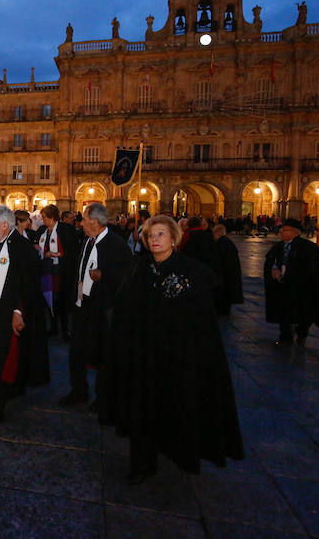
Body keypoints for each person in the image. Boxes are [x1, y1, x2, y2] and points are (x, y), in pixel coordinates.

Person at [107, 215, 244, 483]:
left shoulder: (192, 272)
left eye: (160, 234)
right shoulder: (138, 269)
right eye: (150, 236)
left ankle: (177, 452)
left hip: (177, 356)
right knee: (141, 408)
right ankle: (142, 464)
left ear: (174, 237)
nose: (155, 240)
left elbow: (202, 323)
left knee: (174, 406)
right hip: (144, 355)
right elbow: (124, 311)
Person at [0, 205, 49, 429]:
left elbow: (29, 285)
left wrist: (18, 311)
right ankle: (14, 388)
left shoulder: (22, 247)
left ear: (5, 225)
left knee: (3, 362)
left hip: (10, 316)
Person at [59, 203, 131, 414]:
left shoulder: (115, 243)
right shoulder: (87, 241)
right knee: (76, 350)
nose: (80, 223)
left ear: (95, 222)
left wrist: (104, 276)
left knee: (103, 354)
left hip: (103, 308)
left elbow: (128, 275)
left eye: (84, 220)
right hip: (83, 305)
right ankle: (78, 390)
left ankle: (103, 397)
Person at [263, 219, 319, 346]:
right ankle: (285, 338)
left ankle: (302, 334)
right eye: (281, 230)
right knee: (285, 312)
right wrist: (274, 268)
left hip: (302, 287)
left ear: (294, 232)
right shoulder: (278, 246)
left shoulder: (308, 247)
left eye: (284, 230)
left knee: (303, 313)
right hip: (283, 286)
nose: (281, 232)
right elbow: (272, 260)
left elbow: (314, 269)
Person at [37, 204, 79, 341]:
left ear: (52, 217)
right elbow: (39, 246)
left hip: (62, 271)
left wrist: (56, 254)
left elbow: (72, 251)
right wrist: (42, 251)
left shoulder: (66, 229)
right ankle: (53, 327)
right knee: (50, 300)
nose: (42, 220)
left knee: (63, 301)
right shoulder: (42, 230)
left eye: (44, 217)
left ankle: (66, 330)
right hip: (47, 270)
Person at [212, 224, 244, 315]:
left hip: (226, 274)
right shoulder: (228, 242)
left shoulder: (221, 244)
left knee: (224, 294)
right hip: (230, 273)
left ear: (216, 233)